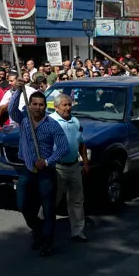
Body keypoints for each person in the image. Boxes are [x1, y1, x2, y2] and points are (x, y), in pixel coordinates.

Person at [9, 89, 70, 257]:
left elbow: (64, 147)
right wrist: (17, 91)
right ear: (29, 105)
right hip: (27, 169)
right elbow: (11, 110)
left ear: (45, 106)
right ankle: (37, 229)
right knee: (22, 205)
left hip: (45, 173)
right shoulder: (24, 120)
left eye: (41, 104)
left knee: (48, 209)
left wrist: (47, 161)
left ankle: (47, 242)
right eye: (34, 104)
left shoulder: (52, 124)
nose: (37, 107)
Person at [50, 93, 89, 243]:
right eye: (64, 105)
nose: (67, 108)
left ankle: (78, 231)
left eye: (69, 104)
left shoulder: (75, 121)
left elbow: (81, 143)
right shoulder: (51, 121)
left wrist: (85, 162)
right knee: (52, 200)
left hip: (73, 166)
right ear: (56, 107)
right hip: (57, 167)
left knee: (77, 200)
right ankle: (42, 228)